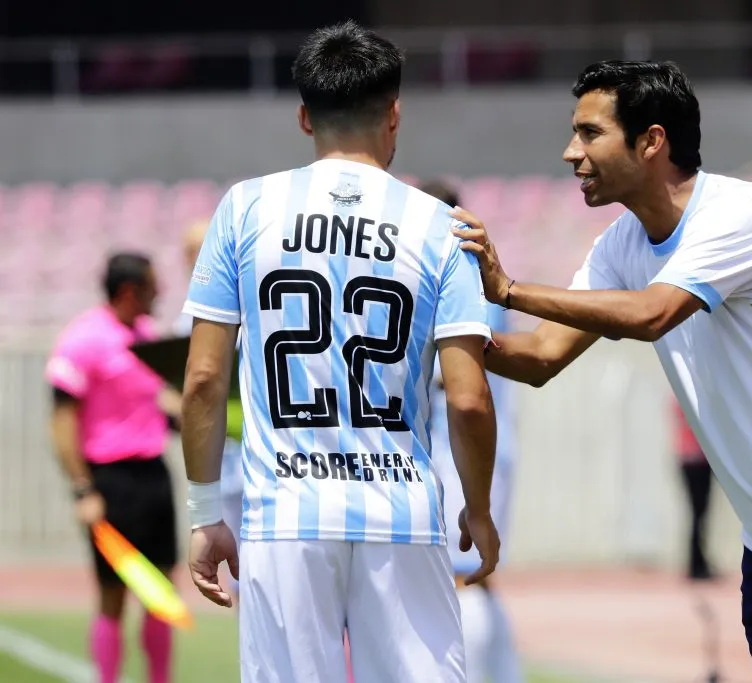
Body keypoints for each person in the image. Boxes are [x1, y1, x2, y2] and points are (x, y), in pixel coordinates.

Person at [452, 59, 752, 683]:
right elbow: (543, 357)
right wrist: (444, 339)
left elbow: (654, 313)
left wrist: (511, 289)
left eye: (589, 133)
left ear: (651, 140)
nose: (570, 152)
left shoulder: (738, 212)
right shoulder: (619, 246)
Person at [178, 21, 500, 683]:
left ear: (303, 116)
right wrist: (480, 506)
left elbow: (205, 377)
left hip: (283, 512)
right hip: (404, 513)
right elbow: (467, 397)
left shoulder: (242, 209)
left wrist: (205, 513)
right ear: (395, 113)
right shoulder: (442, 225)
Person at [45, 252, 182, 683]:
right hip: (111, 481)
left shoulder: (146, 333)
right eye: (152, 285)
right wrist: (83, 490)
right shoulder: (84, 339)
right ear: (128, 291)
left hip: (153, 475)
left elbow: (157, 401)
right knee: (113, 595)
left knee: (161, 592)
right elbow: (62, 420)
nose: (159, 292)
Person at [420, 179, 524, 683]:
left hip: (459, 449)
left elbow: (461, 380)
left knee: (462, 580)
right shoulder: (474, 274)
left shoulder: (461, 277)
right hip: (479, 447)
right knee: (475, 580)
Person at [173, 219, 245, 595]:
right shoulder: (186, 316)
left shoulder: (252, 304)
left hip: (261, 443)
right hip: (222, 448)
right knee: (243, 574)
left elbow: (202, 378)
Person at [671, 401, 715, 581]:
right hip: (696, 459)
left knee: (698, 514)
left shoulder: (680, 397)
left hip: (690, 458)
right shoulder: (691, 398)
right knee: (699, 513)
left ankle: (698, 562)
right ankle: (696, 564)